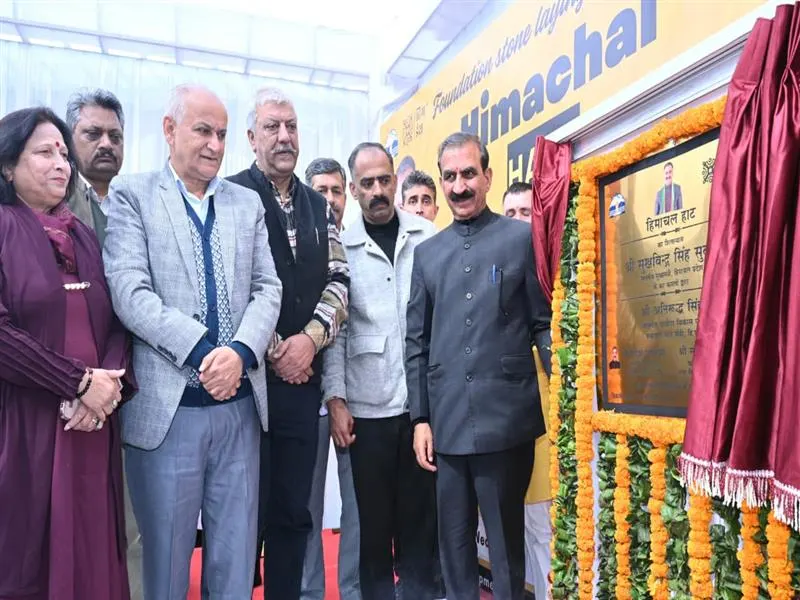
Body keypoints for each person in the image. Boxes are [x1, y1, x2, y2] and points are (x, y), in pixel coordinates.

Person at [103, 84, 282, 600]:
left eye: (222, 134)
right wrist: (208, 354)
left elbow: (269, 288)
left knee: (234, 559)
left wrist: (241, 354)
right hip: (168, 411)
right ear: (169, 130)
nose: (214, 144)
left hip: (241, 411)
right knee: (165, 565)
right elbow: (130, 294)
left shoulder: (246, 203)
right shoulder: (133, 195)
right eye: (202, 130)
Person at [406, 132, 552, 600]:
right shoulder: (427, 255)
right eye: (450, 176)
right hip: (446, 424)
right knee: (453, 547)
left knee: (507, 548)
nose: (459, 186)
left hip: (506, 421)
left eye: (469, 174)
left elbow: (542, 323)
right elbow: (417, 342)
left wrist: (567, 388)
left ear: (487, 177)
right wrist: (420, 418)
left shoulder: (521, 239)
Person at [0, 106, 132, 600]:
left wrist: (108, 386)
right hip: (25, 426)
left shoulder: (83, 233)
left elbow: (118, 317)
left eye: (62, 152)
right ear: (7, 166)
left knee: (94, 554)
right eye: (43, 152)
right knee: (26, 559)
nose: (60, 162)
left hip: (92, 424)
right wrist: (76, 382)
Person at [227, 87, 349, 599]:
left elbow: (339, 281)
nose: (284, 136)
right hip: (244, 389)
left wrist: (309, 342)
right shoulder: (229, 196)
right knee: (239, 518)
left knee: (295, 516)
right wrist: (277, 347)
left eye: (291, 126)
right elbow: (229, 285)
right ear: (251, 137)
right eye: (272, 127)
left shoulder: (320, 207)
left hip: (304, 388)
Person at [324, 142, 439, 600]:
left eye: (384, 180)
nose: (377, 190)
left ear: (396, 181)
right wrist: (336, 399)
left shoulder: (427, 237)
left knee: (419, 532)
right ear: (353, 190)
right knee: (372, 538)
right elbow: (335, 331)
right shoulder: (341, 248)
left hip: (420, 414)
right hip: (366, 417)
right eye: (367, 183)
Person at [301, 157, 361, 600]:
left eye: (336, 190)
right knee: (307, 508)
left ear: (347, 195)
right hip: (301, 394)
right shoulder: (292, 243)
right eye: (319, 190)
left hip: (355, 399)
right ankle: (308, 593)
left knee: (358, 508)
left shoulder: (360, 244)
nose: (329, 199)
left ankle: (356, 591)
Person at [65, 88, 125, 246]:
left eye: (115, 136)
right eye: (93, 133)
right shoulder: (56, 197)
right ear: (69, 141)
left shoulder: (136, 200)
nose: (107, 144)